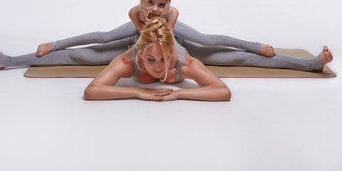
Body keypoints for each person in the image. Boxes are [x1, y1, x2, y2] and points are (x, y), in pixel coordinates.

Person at [0, 0, 333, 71]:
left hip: (180, 55)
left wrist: (254, 45)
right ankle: (7, 61)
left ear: (169, 4)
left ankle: (312, 65)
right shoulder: (136, 15)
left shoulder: (172, 16)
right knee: (79, 55)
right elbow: (102, 36)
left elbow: (207, 41)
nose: (155, 9)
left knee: (240, 59)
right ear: (141, 1)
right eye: (150, 2)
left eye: (161, 3)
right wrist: (55, 43)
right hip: (134, 55)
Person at [83, 17, 231, 102]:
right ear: (140, 55)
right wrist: (136, 92)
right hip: (144, 34)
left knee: (218, 52)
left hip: (175, 36)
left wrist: (179, 94)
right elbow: (91, 91)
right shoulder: (128, 61)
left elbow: (223, 92)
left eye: (164, 59)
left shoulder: (184, 63)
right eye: (151, 60)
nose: (159, 67)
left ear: (171, 52)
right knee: (90, 55)